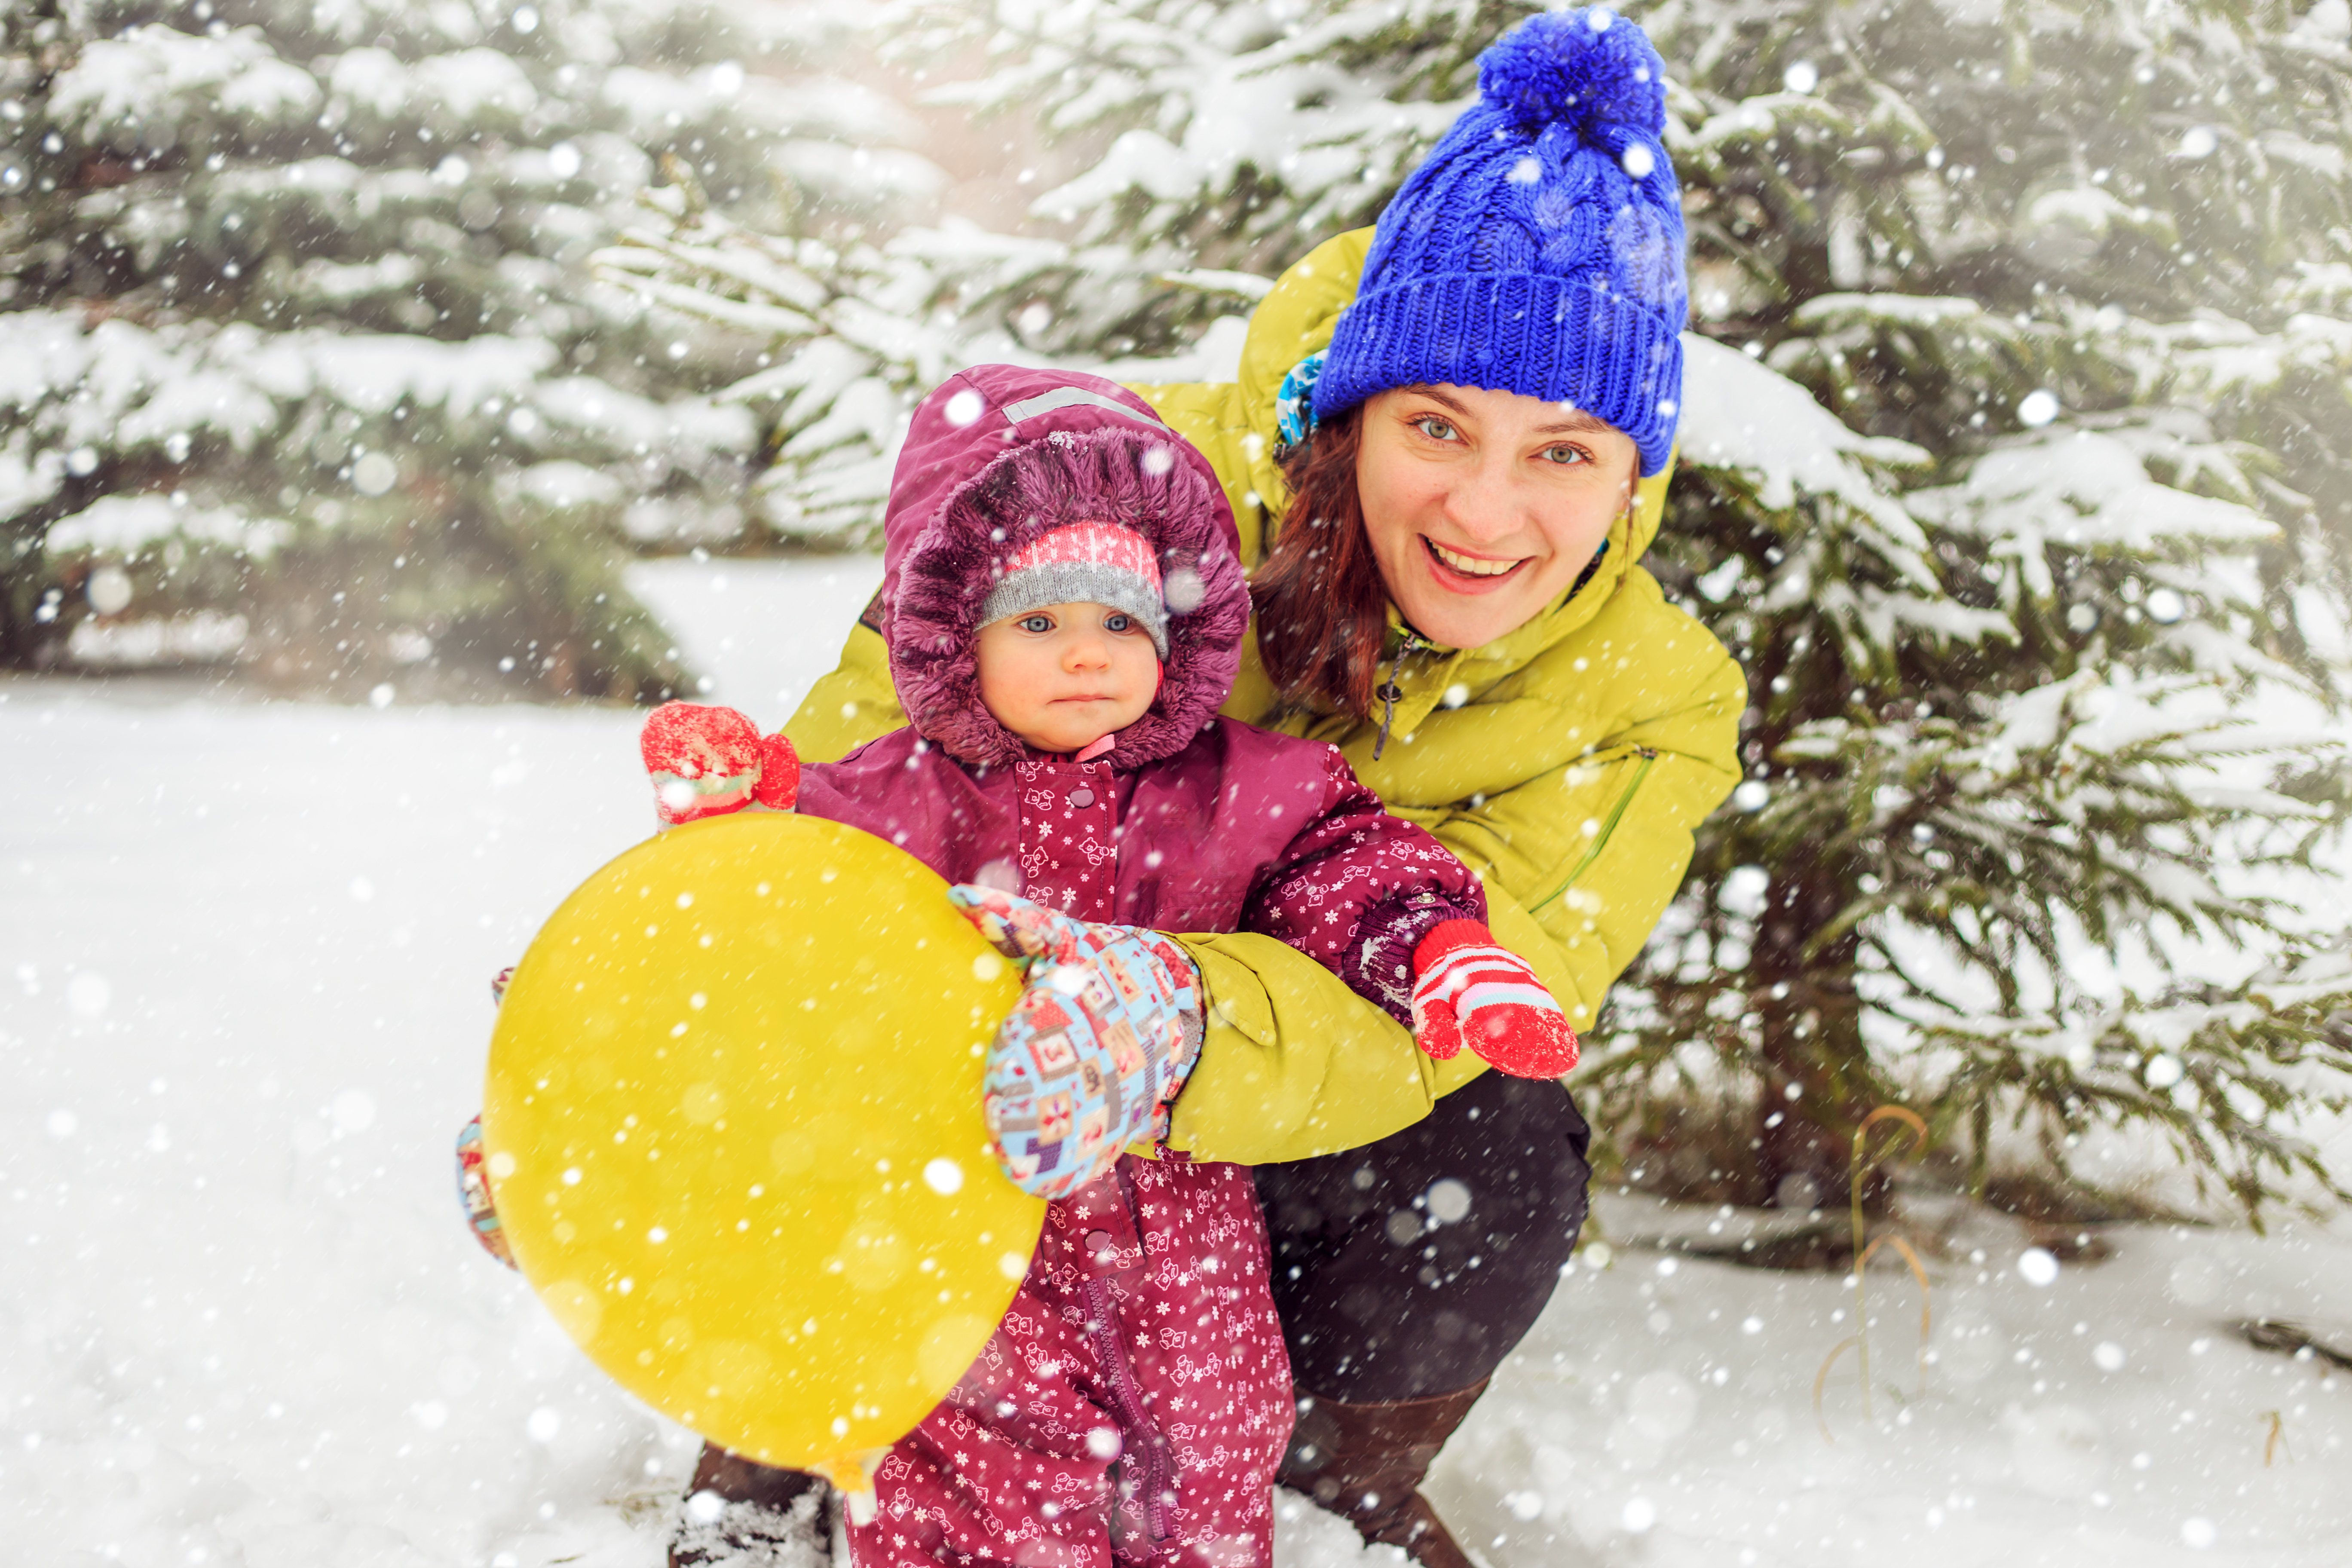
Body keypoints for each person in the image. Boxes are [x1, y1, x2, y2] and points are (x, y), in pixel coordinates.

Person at [744, 12, 1747, 1568]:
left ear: (1636, 477)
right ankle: (792, 1426)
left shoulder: (1650, 703)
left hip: (1238, 1144)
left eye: (1562, 453)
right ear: (1349, 416)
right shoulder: (1105, 496)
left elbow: (1488, 976)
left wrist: (1168, 1021)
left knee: (1496, 1140)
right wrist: (667, 1031)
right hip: (951, 1075)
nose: (1484, 512)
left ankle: (1311, 1469)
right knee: (815, 1024)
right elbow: (843, 801)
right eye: (1435, 428)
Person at [466, 362, 1586, 1568]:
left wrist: (1438, 945)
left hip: (1185, 1247)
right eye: (1040, 623)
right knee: (980, 1494)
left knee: (1206, 1478)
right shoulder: (885, 797)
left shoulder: (1239, 787)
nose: (1089, 655)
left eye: (1122, 620)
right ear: (960, 633)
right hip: (963, 1240)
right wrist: (604, 1034)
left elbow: (1344, 864)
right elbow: (754, 920)